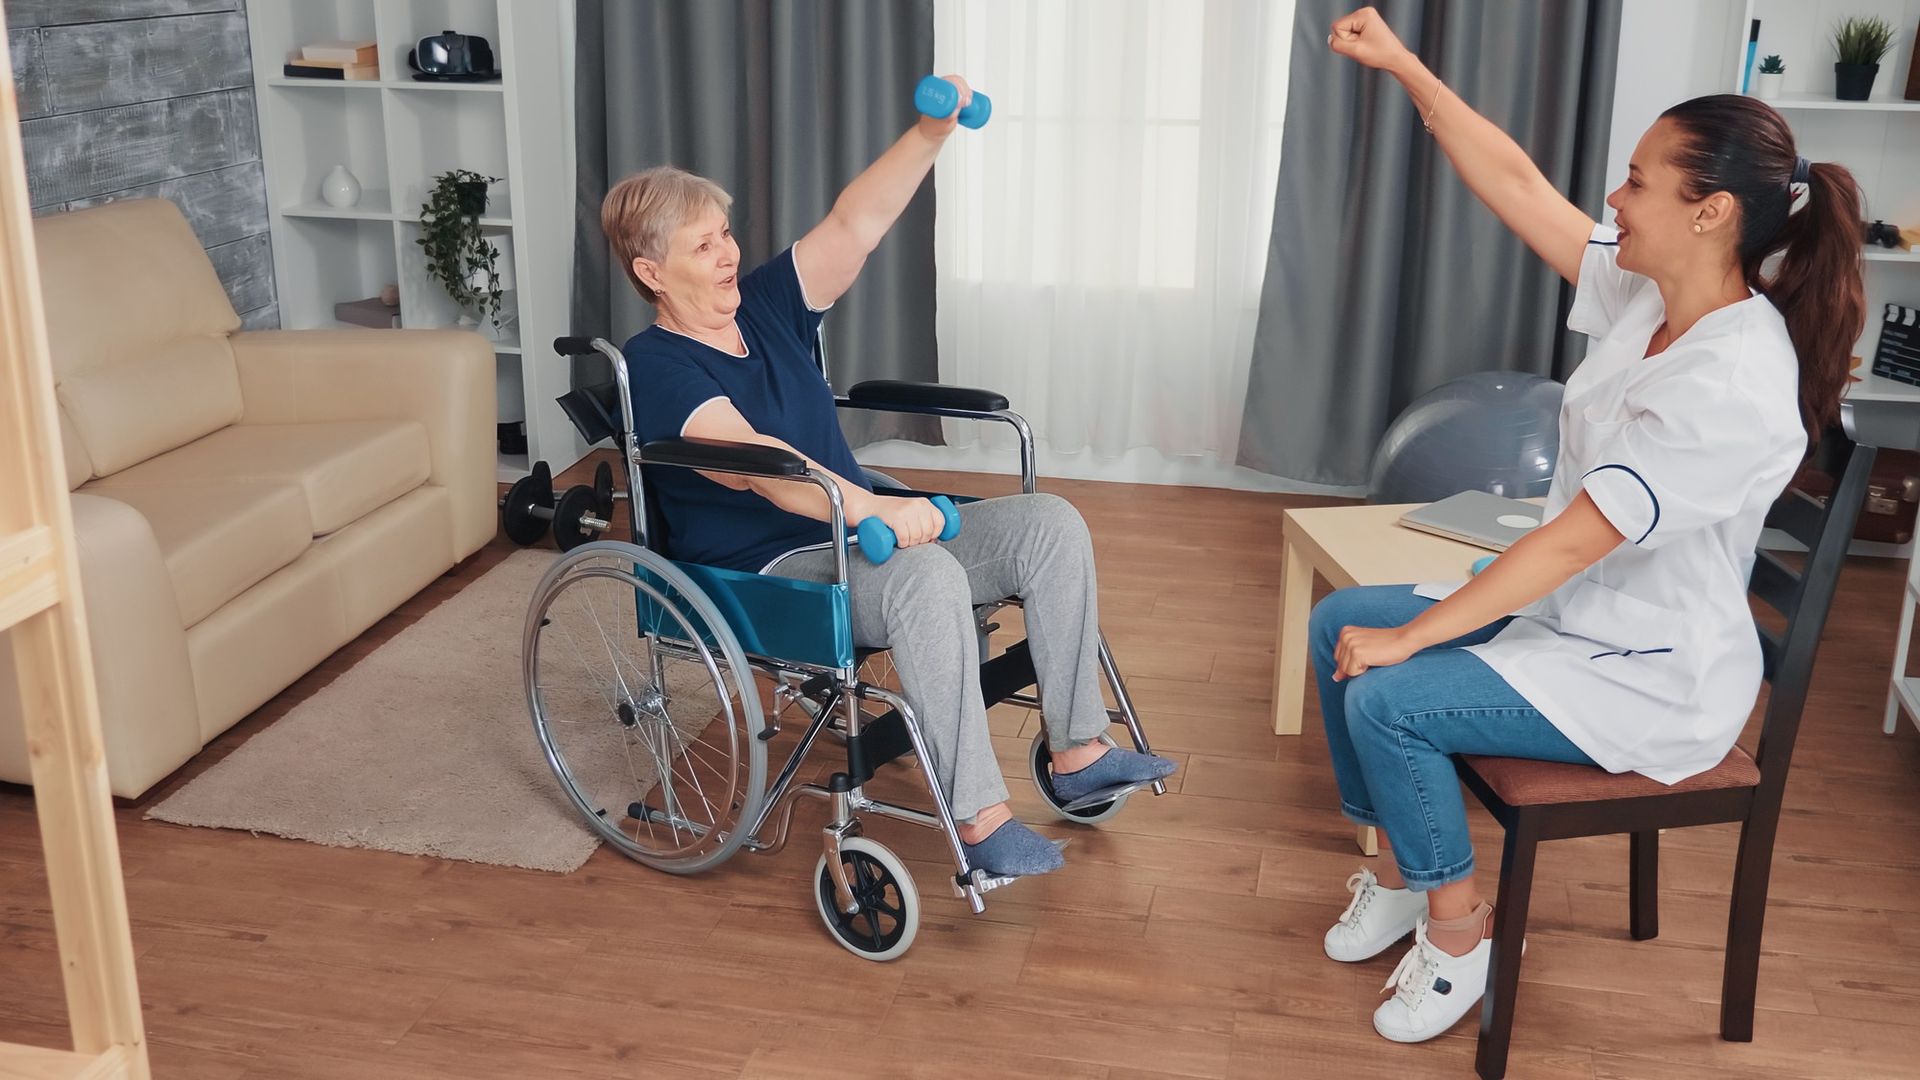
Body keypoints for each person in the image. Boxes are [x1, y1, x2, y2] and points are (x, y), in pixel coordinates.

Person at [1311, 7, 1867, 1045]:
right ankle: (1401, 873)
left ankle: (1464, 930)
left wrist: (1415, 637)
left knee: (1390, 693)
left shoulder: (1731, 376)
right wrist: (1405, 68)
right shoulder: (1652, 294)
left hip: (1649, 674)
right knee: (1337, 618)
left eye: (1641, 180)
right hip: (1579, 618)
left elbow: (1573, 539)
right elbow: (1520, 187)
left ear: (1711, 214)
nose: (1615, 197)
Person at [600, 76, 1176, 880]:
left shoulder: (765, 305)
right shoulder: (659, 366)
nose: (729, 253)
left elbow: (855, 222)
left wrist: (932, 132)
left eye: (726, 233)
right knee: (926, 577)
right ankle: (979, 819)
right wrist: (866, 503)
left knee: (1052, 523)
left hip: (862, 531)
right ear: (652, 272)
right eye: (703, 245)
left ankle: (1078, 750)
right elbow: (763, 470)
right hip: (773, 568)